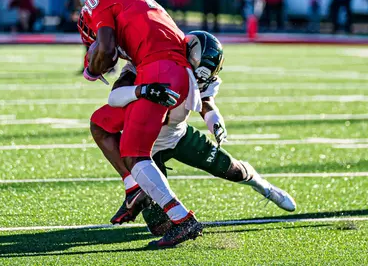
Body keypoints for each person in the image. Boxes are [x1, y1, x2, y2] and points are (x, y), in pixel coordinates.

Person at [90, 31, 296, 236]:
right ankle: (145, 196)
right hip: (144, 146)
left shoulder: (202, 76)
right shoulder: (148, 64)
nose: (199, 79)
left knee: (232, 170)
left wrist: (213, 119)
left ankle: (264, 187)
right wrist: (143, 90)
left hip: (178, 136)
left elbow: (205, 100)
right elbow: (115, 97)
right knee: (159, 226)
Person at [78, 0, 202, 248]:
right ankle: (134, 188)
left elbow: (108, 50)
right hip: (170, 70)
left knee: (134, 153)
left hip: (160, 70)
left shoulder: (96, 1)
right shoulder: (135, 6)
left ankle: (182, 220)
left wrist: (90, 71)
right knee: (101, 123)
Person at [76, 0, 116, 72]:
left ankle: (111, 66)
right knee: (88, 37)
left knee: (105, 37)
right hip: (87, 9)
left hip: (102, 9)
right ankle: (89, 64)